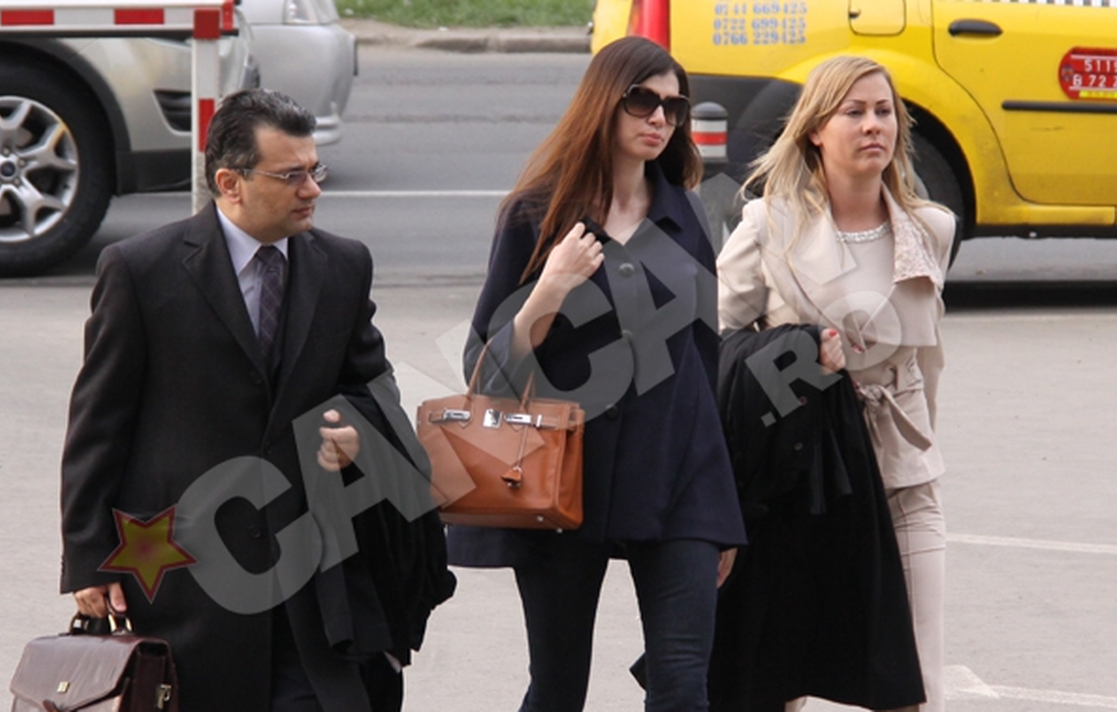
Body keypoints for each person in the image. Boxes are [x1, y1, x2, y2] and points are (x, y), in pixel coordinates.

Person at [59, 88, 454, 712]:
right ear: (230, 183)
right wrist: (88, 560)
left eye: (315, 170)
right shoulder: (142, 270)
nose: (312, 189)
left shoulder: (343, 266)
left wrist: (358, 435)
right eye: (291, 175)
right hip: (186, 576)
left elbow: (371, 386)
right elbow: (99, 424)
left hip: (313, 571)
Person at [447, 37, 747, 712]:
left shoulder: (684, 214)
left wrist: (720, 508)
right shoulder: (536, 214)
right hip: (562, 477)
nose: (660, 118)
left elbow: (703, 360)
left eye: (673, 106)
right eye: (643, 100)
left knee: (683, 686)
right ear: (603, 103)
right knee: (558, 689)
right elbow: (485, 371)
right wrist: (550, 289)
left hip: (679, 474)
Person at [714, 55, 955, 711]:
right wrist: (799, 355)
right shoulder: (768, 225)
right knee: (778, 680)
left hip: (902, 474)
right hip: (801, 474)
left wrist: (924, 446)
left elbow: (929, 357)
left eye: (884, 111)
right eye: (854, 112)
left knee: (914, 682)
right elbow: (717, 351)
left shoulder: (931, 229)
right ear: (816, 130)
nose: (873, 125)